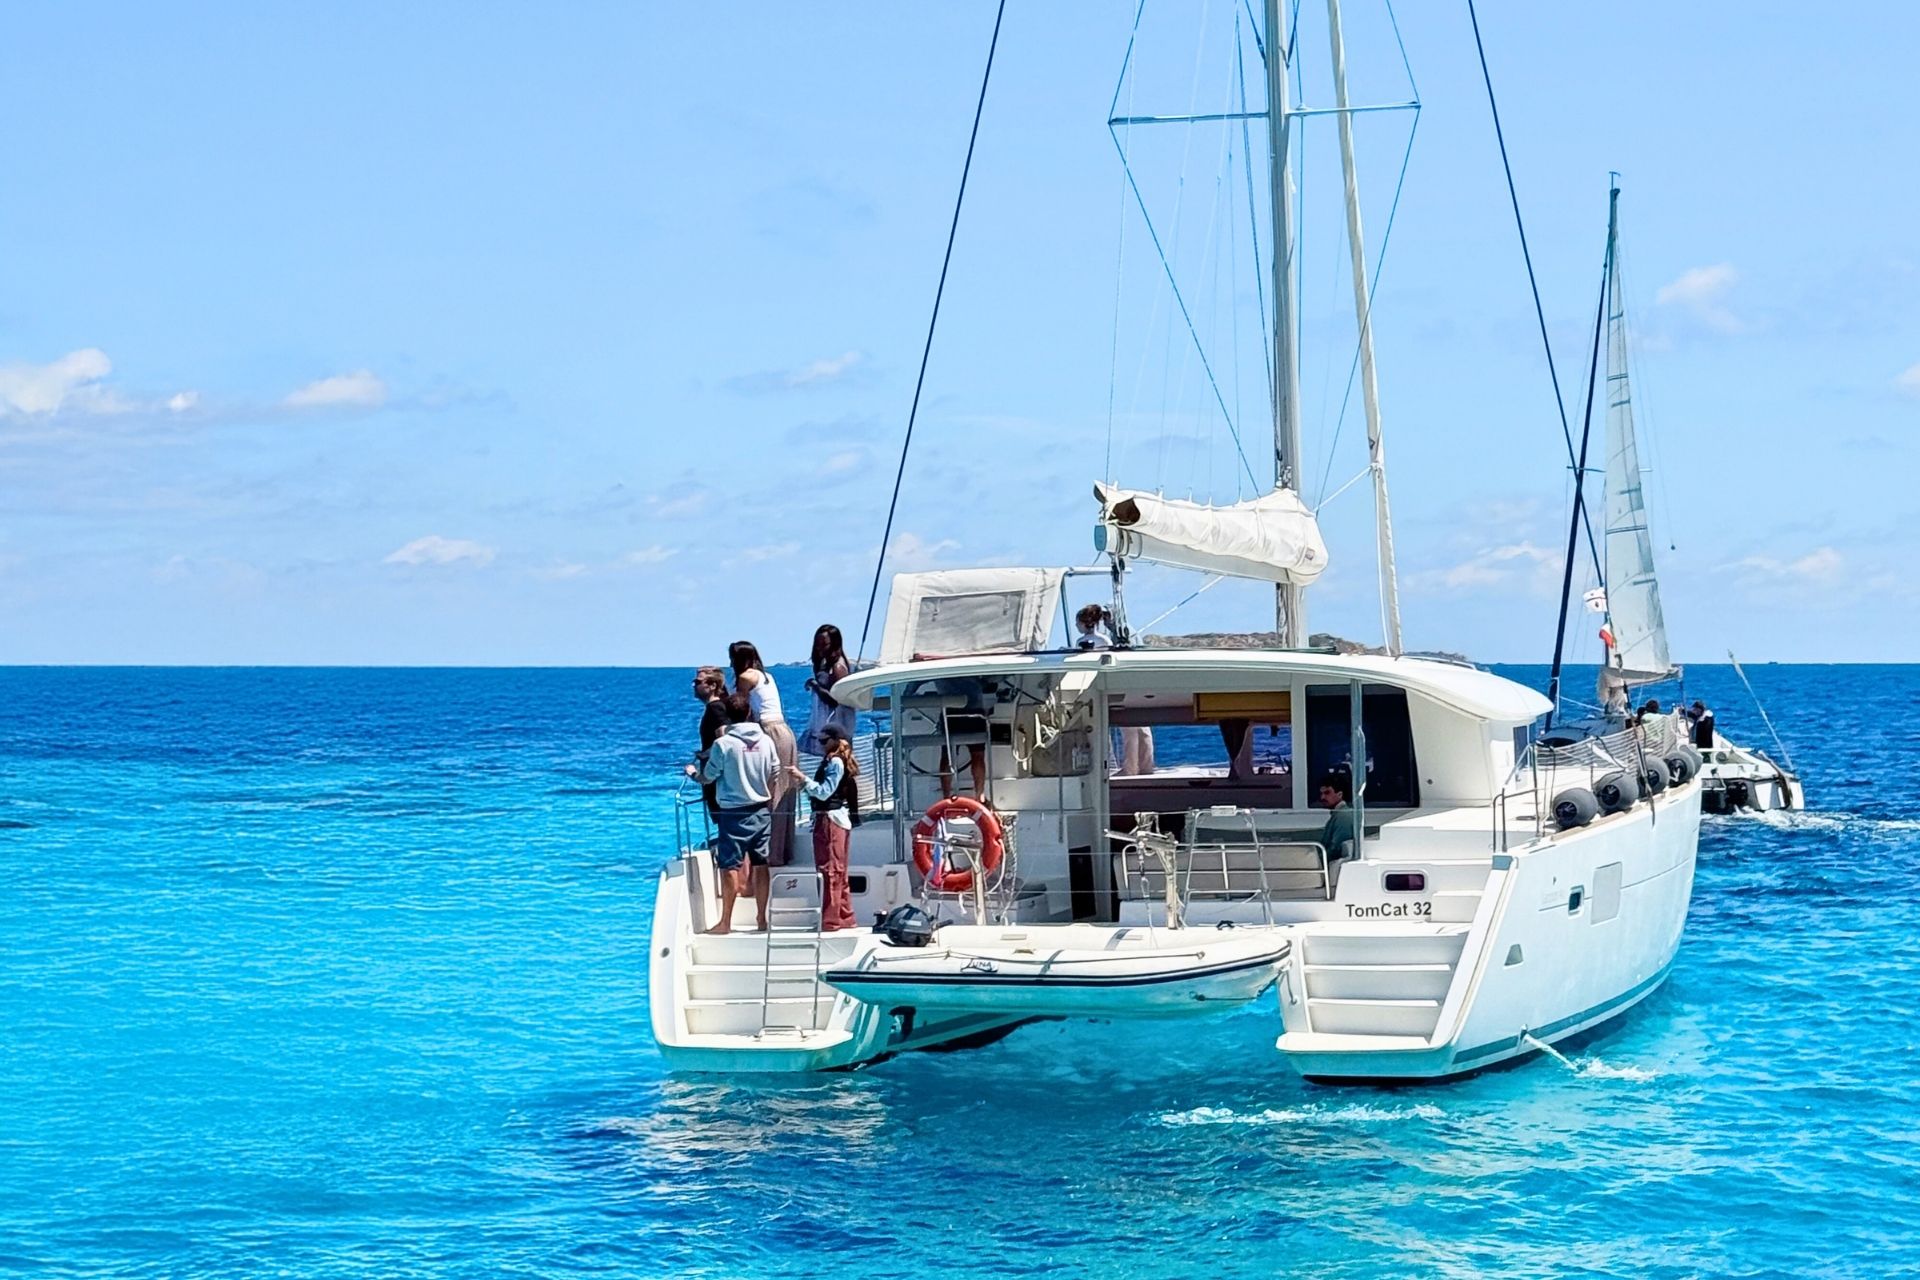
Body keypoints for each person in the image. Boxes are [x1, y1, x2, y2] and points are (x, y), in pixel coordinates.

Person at [690, 692, 780, 933]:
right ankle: (762, 919)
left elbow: (709, 776)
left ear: (728, 717)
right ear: (749, 713)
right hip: (761, 809)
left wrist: (693, 774)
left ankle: (725, 922)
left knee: (729, 865)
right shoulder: (766, 741)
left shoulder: (723, 744)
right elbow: (775, 771)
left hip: (732, 812)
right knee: (761, 864)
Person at [730, 640, 798, 868]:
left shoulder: (746, 677)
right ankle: (784, 849)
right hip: (785, 731)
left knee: (772, 792)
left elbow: (739, 706)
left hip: (769, 731)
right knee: (786, 791)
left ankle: (772, 853)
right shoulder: (767, 675)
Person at [789, 725, 861, 931]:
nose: (820, 745)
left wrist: (803, 779)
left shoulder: (834, 762)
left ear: (834, 741)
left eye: (823, 741)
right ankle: (845, 917)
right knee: (838, 871)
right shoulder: (837, 762)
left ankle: (830, 921)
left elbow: (823, 793)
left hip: (829, 820)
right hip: (836, 819)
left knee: (829, 871)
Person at [800, 624, 857, 755]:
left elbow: (834, 700)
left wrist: (814, 685)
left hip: (837, 728)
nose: (819, 648)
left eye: (824, 644)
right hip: (828, 726)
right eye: (817, 644)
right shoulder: (824, 665)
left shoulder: (838, 668)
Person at [691, 666, 730, 818]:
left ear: (713, 685)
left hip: (716, 773)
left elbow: (724, 736)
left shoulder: (716, 708)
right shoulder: (714, 707)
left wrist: (706, 754)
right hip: (715, 770)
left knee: (721, 815)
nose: (695, 686)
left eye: (698, 682)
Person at [1316, 770, 1357, 859]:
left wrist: (1317, 861)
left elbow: (1337, 848)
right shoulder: (1338, 815)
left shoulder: (1343, 817)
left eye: (1327, 793)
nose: (1322, 797)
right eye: (1321, 794)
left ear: (1340, 794)